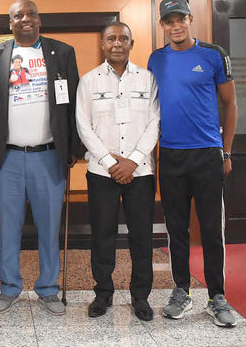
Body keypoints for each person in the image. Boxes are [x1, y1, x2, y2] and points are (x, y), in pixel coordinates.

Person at [0, 0, 80, 315]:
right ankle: (9, 287)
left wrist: (73, 150)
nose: (25, 19)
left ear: (40, 20)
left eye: (31, 14)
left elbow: (73, 103)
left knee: (49, 227)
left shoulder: (61, 52)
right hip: (7, 158)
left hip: (48, 156)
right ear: (9, 22)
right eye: (17, 15)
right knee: (8, 226)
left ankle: (48, 288)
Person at [148, 0, 238, 327]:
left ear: (190, 19)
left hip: (207, 154)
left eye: (180, 19)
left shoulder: (213, 55)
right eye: (168, 21)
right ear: (162, 25)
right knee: (176, 229)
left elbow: (231, 105)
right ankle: (181, 290)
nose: (175, 26)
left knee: (212, 228)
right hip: (170, 155)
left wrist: (225, 151)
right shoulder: (155, 60)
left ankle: (217, 296)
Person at [76, 22, 159, 321]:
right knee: (102, 235)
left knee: (141, 237)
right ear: (102, 44)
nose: (117, 44)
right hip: (102, 173)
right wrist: (111, 163)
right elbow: (83, 126)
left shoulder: (148, 79)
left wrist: (133, 160)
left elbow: (154, 123)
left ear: (131, 43)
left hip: (141, 172)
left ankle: (141, 297)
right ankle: (103, 294)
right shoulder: (88, 81)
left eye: (123, 38)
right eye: (111, 39)